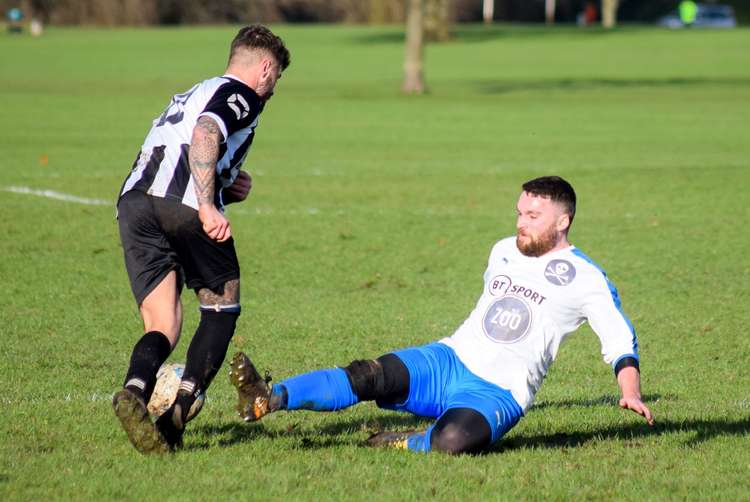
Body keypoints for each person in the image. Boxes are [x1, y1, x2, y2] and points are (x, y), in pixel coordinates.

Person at [229, 176, 654, 454]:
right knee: (367, 374)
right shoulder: (503, 249)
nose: (521, 223)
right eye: (519, 212)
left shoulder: (586, 277)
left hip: (499, 392)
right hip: (448, 359)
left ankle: (412, 442)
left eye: (533, 216)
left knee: (452, 441)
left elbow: (619, 339)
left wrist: (630, 390)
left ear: (563, 221)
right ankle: (270, 396)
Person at [112, 25, 290, 454]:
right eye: (276, 78)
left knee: (163, 324)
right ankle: (176, 416)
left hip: (135, 203)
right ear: (264, 68)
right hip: (184, 204)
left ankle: (135, 390)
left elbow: (186, 144)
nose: (273, 89)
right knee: (221, 306)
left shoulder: (195, 90)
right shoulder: (241, 95)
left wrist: (228, 186)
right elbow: (207, 132)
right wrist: (209, 203)